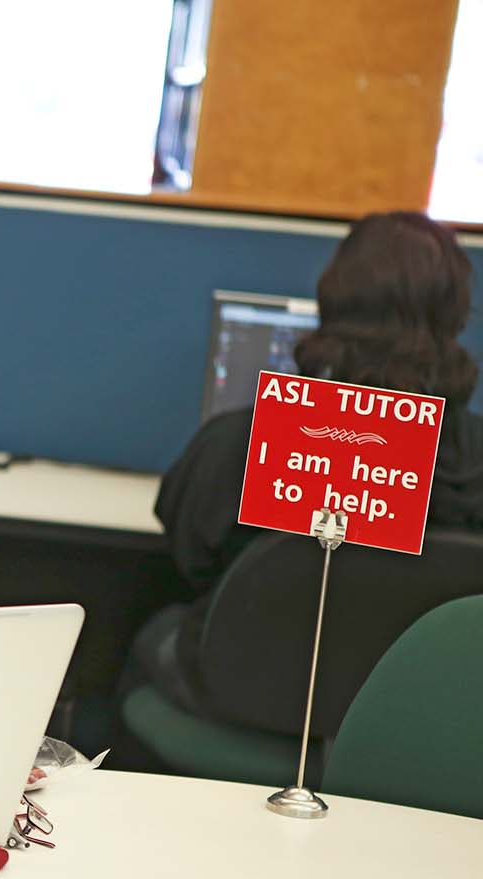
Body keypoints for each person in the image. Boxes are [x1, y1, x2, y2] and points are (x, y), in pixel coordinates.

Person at [140, 211, 483, 713]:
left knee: (147, 627)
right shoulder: (475, 454)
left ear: (332, 300)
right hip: (410, 711)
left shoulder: (246, 439)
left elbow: (190, 551)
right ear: (454, 316)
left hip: (245, 692)